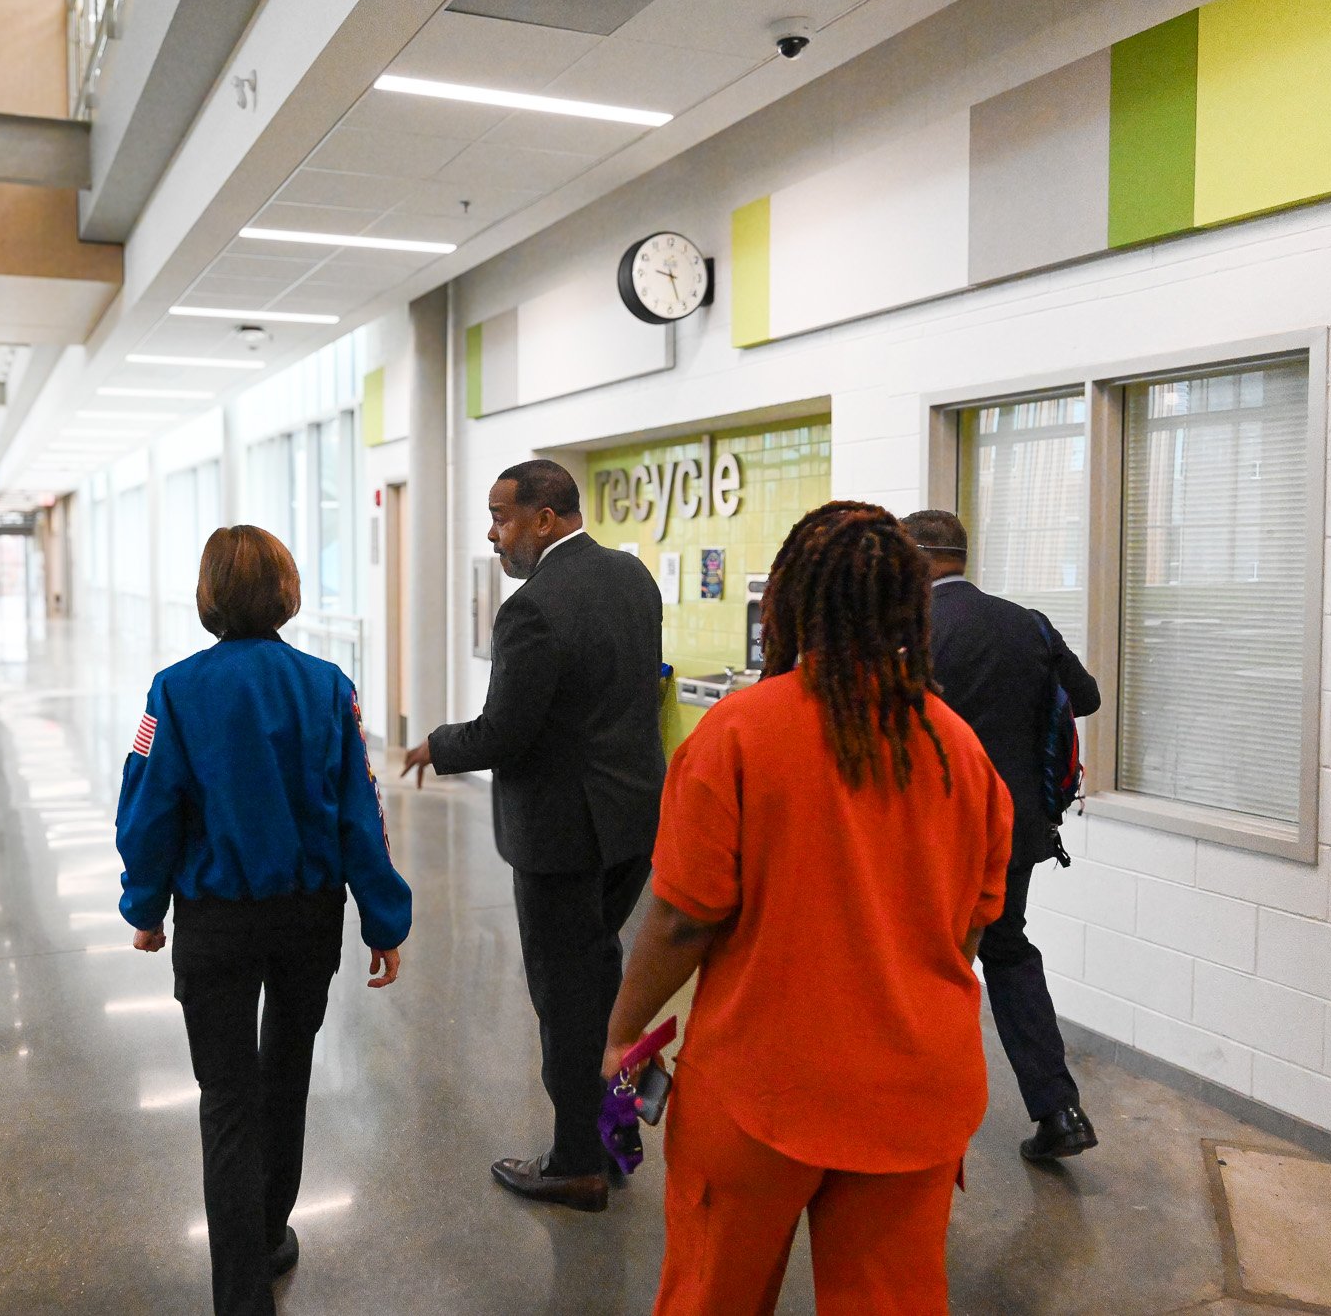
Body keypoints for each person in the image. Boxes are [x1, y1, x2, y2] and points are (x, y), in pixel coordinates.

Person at [603, 501, 1013, 1316]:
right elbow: (967, 929)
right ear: (911, 606)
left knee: (711, 1295)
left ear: (792, 603)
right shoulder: (957, 748)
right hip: (916, 1095)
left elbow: (684, 917)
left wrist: (621, 1031)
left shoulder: (740, 734)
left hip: (762, 1091)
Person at [116, 525, 411, 1316]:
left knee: (227, 1099)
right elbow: (361, 813)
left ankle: (241, 1295)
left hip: (214, 920)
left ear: (208, 593)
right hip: (305, 919)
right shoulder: (327, 687)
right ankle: (273, 1226)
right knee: (287, 1075)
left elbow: (151, 809)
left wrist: (144, 905)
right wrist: (383, 916)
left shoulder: (173, 691)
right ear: (287, 590)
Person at [401, 459, 664, 1213]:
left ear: (544, 518)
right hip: (628, 826)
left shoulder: (532, 608)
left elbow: (505, 733)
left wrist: (436, 745)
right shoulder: (632, 579)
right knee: (601, 977)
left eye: (502, 517)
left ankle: (577, 1161)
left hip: (561, 838)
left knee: (565, 996)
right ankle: (613, 1136)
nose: (493, 534)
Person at [900, 508, 1104, 1162]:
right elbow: (1088, 696)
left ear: (919, 556)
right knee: (1007, 948)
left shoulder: (910, 632)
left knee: (922, 964)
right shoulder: (1028, 623)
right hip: (1013, 830)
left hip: (931, 834)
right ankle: (1059, 1109)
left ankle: (920, 1110)